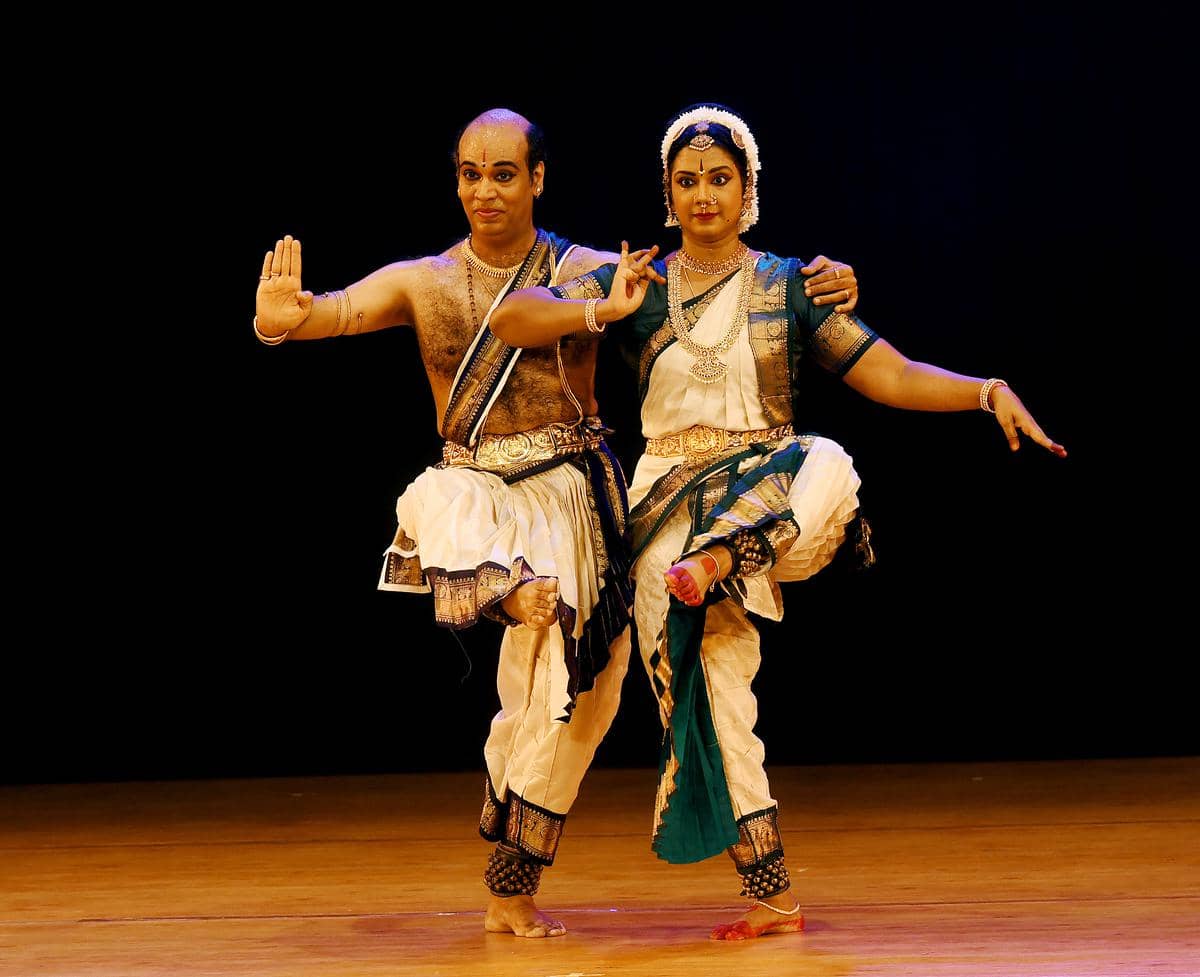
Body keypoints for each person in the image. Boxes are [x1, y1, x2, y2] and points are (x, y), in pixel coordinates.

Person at [252, 107, 863, 939]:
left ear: (537, 179)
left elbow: (700, 289)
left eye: (504, 173)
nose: (485, 190)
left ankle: (512, 881)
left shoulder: (588, 269)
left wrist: (821, 282)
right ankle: (508, 593)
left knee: (572, 697)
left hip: (572, 497)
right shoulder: (423, 281)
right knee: (460, 537)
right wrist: (279, 317)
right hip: (479, 494)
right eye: (471, 173)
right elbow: (327, 314)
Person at [489, 103, 1066, 941]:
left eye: (719, 178)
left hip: (769, 505)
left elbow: (891, 375)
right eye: (685, 181)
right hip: (662, 518)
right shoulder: (636, 286)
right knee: (637, 689)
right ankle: (755, 893)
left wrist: (984, 391)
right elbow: (511, 319)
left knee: (831, 457)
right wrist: (604, 311)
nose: (702, 195)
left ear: (748, 187)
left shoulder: (792, 284)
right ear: (667, 192)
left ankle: (729, 553)